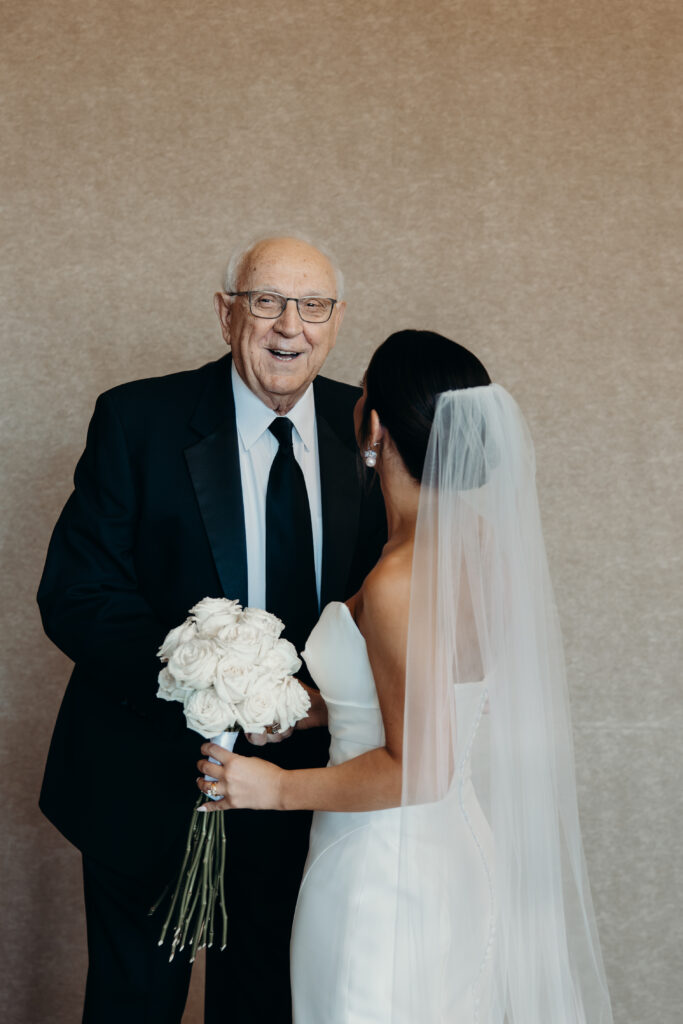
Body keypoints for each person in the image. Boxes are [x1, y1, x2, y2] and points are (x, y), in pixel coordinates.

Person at [196, 330, 614, 1023]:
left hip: (381, 868)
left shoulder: (397, 578)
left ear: (374, 425)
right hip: (454, 852)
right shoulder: (479, 545)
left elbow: (420, 766)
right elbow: (440, 694)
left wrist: (270, 789)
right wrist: (315, 709)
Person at [37, 236, 386, 1024]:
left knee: (268, 1001)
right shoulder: (138, 419)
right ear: (228, 312)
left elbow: (392, 595)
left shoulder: (365, 425)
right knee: (134, 1004)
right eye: (266, 301)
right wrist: (205, 683)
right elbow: (77, 592)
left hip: (305, 787)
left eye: (313, 306)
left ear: (335, 321)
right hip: (148, 777)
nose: (288, 326)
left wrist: (310, 706)